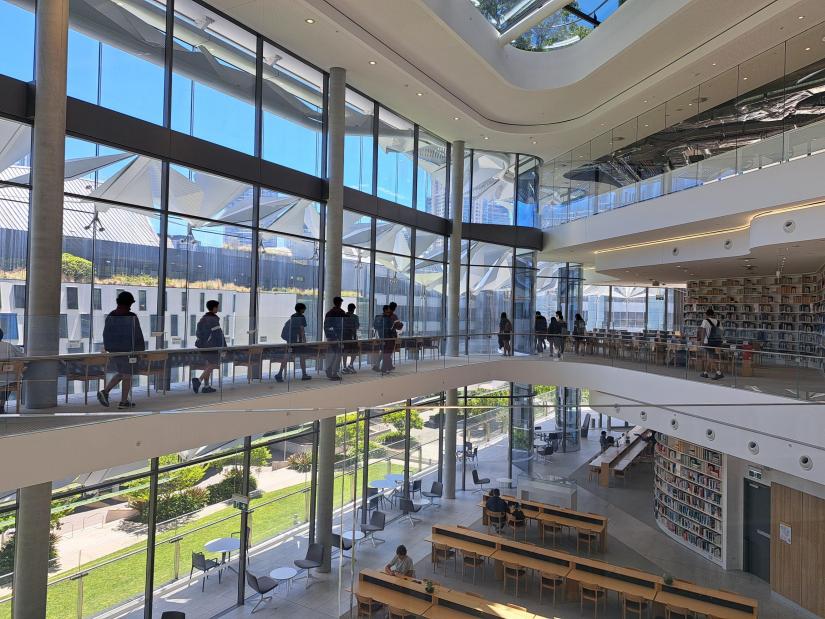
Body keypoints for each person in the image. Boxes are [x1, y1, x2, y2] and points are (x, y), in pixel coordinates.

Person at [98, 291, 145, 409]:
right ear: (128, 304)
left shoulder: (111, 316)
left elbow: (106, 335)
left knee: (123, 374)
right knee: (127, 375)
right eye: (130, 304)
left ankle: (107, 393)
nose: (131, 306)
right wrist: (140, 351)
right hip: (129, 352)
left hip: (116, 352)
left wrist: (110, 349)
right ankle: (122, 401)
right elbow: (138, 335)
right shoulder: (131, 317)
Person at [193, 300, 226, 394]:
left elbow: (198, 333)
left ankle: (206, 386)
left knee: (208, 365)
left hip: (202, 346)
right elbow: (219, 335)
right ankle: (198, 381)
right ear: (214, 308)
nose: (218, 308)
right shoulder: (213, 320)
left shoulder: (203, 318)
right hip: (211, 347)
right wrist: (224, 348)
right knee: (213, 364)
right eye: (217, 307)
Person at [276, 303, 311, 382]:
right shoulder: (301, 317)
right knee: (302, 356)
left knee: (287, 356)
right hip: (298, 341)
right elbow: (302, 329)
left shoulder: (292, 316)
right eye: (304, 308)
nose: (305, 310)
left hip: (290, 340)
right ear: (301, 309)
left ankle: (279, 373)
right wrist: (304, 341)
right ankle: (304, 374)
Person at [324, 296, 347, 380]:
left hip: (331, 337)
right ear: (340, 303)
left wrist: (329, 336)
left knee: (334, 354)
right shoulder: (341, 313)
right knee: (338, 354)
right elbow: (345, 325)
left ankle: (330, 369)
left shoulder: (329, 313)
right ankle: (334, 372)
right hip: (338, 337)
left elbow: (326, 326)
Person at [0, 327, 22, 413]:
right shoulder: (9, 346)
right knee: (8, 381)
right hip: (8, 380)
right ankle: (1, 405)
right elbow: (24, 357)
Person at [699, 308, 724, 380]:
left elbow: (703, 331)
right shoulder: (718, 322)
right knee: (710, 357)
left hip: (708, 342)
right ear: (713, 314)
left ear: (706, 314)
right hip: (717, 342)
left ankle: (718, 372)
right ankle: (705, 373)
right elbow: (721, 332)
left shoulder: (705, 321)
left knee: (710, 357)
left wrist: (702, 341)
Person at [373, 305, 397, 374]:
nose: (390, 312)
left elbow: (375, 326)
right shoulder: (388, 319)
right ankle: (384, 369)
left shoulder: (377, 317)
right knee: (387, 353)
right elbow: (391, 328)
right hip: (388, 338)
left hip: (381, 337)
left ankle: (381, 366)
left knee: (384, 352)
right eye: (389, 310)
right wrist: (394, 335)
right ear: (386, 310)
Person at [342, 303, 360, 374]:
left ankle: (344, 367)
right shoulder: (355, 317)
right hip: (353, 336)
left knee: (345, 351)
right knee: (355, 351)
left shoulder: (344, 316)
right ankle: (350, 365)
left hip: (345, 336)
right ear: (353, 309)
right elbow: (357, 326)